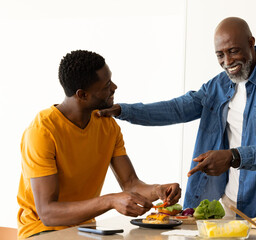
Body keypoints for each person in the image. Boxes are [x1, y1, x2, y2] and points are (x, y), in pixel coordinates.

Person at [98, 17, 256, 218]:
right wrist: (122, 111)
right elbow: (176, 109)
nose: (227, 61)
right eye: (220, 55)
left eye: (234, 51)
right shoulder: (217, 86)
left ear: (251, 43)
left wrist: (234, 156)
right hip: (226, 205)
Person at [17, 50, 181, 239]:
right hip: (41, 232)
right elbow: (48, 213)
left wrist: (158, 190)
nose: (115, 87)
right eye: (106, 85)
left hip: (85, 230)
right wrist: (110, 201)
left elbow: (130, 183)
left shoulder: (106, 123)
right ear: (82, 95)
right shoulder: (42, 131)